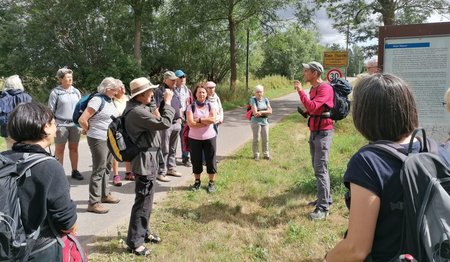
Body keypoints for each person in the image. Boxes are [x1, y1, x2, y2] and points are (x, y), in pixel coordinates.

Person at [325, 74, 424, 261]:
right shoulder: (432, 150)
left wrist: (328, 258)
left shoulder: (368, 162)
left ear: (365, 114)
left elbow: (356, 249)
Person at [6, 102, 77, 260]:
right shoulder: (50, 167)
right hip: (39, 250)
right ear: (45, 127)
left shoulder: (3, 160)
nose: (56, 126)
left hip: (6, 248)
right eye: (53, 123)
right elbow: (67, 223)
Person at [124, 77, 175, 256]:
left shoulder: (141, 108)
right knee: (143, 201)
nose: (153, 94)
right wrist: (167, 103)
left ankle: (143, 232)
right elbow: (165, 123)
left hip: (149, 159)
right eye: (150, 92)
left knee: (147, 200)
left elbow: (157, 116)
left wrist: (156, 105)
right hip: (144, 161)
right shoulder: (137, 112)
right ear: (141, 95)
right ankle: (134, 242)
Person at [294, 61, 334, 220]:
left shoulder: (325, 88)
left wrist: (300, 92)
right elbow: (313, 109)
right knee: (318, 168)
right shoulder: (314, 88)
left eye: (306, 71)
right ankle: (325, 198)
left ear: (315, 73)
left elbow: (312, 107)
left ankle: (323, 209)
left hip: (324, 132)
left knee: (320, 168)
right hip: (315, 131)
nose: (304, 73)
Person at [78, 77, 120, 214]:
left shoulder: (109, 100)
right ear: (107, 89)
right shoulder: (97, 100)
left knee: (107, 167)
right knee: (98, 169)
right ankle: (93, 202)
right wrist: (89, 130)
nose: (116, 92)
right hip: (98, 138)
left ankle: (105, 195)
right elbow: (82, 119)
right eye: (114, 90)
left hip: (108, 138)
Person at [48, 68, 83, 180]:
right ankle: (59, 173)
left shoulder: (76, 91)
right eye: (67, 77)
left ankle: (75, 170)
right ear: (60, 79)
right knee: (59, 149)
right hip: (61, 125)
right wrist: (52, 124)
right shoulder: (55, 92)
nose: (70, 79)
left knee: (74, 148)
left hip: (74, 125)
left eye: (71, 77)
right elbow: (50, 110)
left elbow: (81, 108)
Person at [186, 83, 217, 193]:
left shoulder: (210, 105)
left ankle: (211, 182)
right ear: (195, 94)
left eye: (203, 92)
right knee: (196, 160)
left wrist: (198, 120)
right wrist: (205, 121)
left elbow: (212, 120)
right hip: (194, 138)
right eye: (199, 92)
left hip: (210, 137)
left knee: (211, 160)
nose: (201, 94)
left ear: (206, 94)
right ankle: (197, 181)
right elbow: (190, 123)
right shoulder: (191, 107)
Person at [154, 71, 183, 182]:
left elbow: (179, 106)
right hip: (166, 124)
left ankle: (171, 168)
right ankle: (161, 172)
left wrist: (180, 118)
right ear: (165, 80)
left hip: (176, 123)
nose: (175, 81)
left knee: (173, 148)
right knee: (164, 148)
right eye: (172, 80)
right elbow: (154, 108)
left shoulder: (175, 91)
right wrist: (161, 121)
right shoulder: (159, 91)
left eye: (175, 79)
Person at [111, 79, 134, 186]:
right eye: (120, 87)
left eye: (123, 86)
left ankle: (128, 172)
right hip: (117, 127)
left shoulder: (128, 98)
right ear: (115, 89)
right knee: (116, 151)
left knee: (128, 149)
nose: (123, 88)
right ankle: (116, 175)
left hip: (128, 127)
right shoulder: (111, 101)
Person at [0, 75, 32, 149]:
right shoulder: (25, 96)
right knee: (24, 150)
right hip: (23, 128)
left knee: (10, 149)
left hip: (7, 129)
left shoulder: (2, 97)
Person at [175, 69, 193, 167]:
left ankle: (185, 158)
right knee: (172, 141)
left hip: (185, 118)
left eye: (184, 77)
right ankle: (170, 160)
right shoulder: (171, 90)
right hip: (175, 118)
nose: (183, 79)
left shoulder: (187, 90)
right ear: (176, 79)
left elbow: (191, 104)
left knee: (185, 139)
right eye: (180, 77)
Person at [249, 84, 272, 160]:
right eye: (257, 92)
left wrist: (261, 112)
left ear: (263, 92)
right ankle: (256, 155)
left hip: (265, 121)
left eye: (261, 92)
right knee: (256, 139)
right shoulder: (253, 100)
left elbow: (270, 111)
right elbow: (255, 113)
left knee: (266, 139)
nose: (259, 93)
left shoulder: (266, 100)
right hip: (256, 122)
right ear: (255, 93)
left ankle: (266, 154)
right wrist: (266, 111)